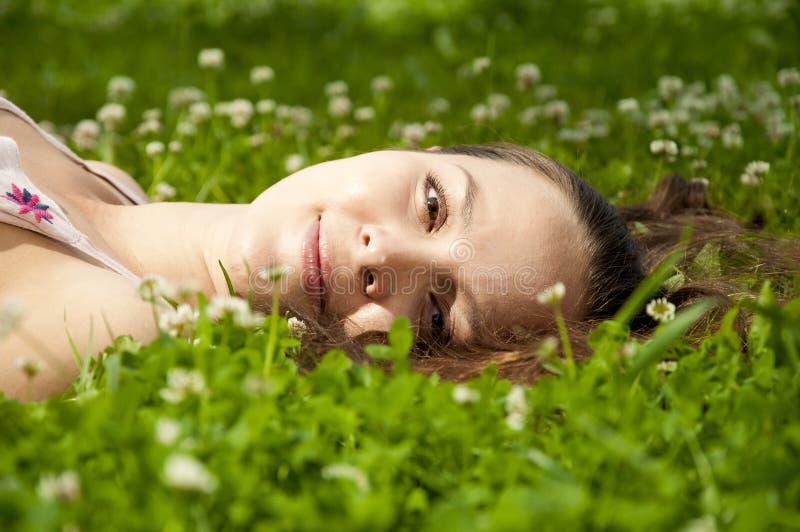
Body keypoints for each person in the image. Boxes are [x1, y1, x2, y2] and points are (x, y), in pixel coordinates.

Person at [0, 96, 795, 401]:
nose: (389, 256)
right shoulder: (101, 180)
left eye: (440, 308)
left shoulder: (112, 329)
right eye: (433, 203)